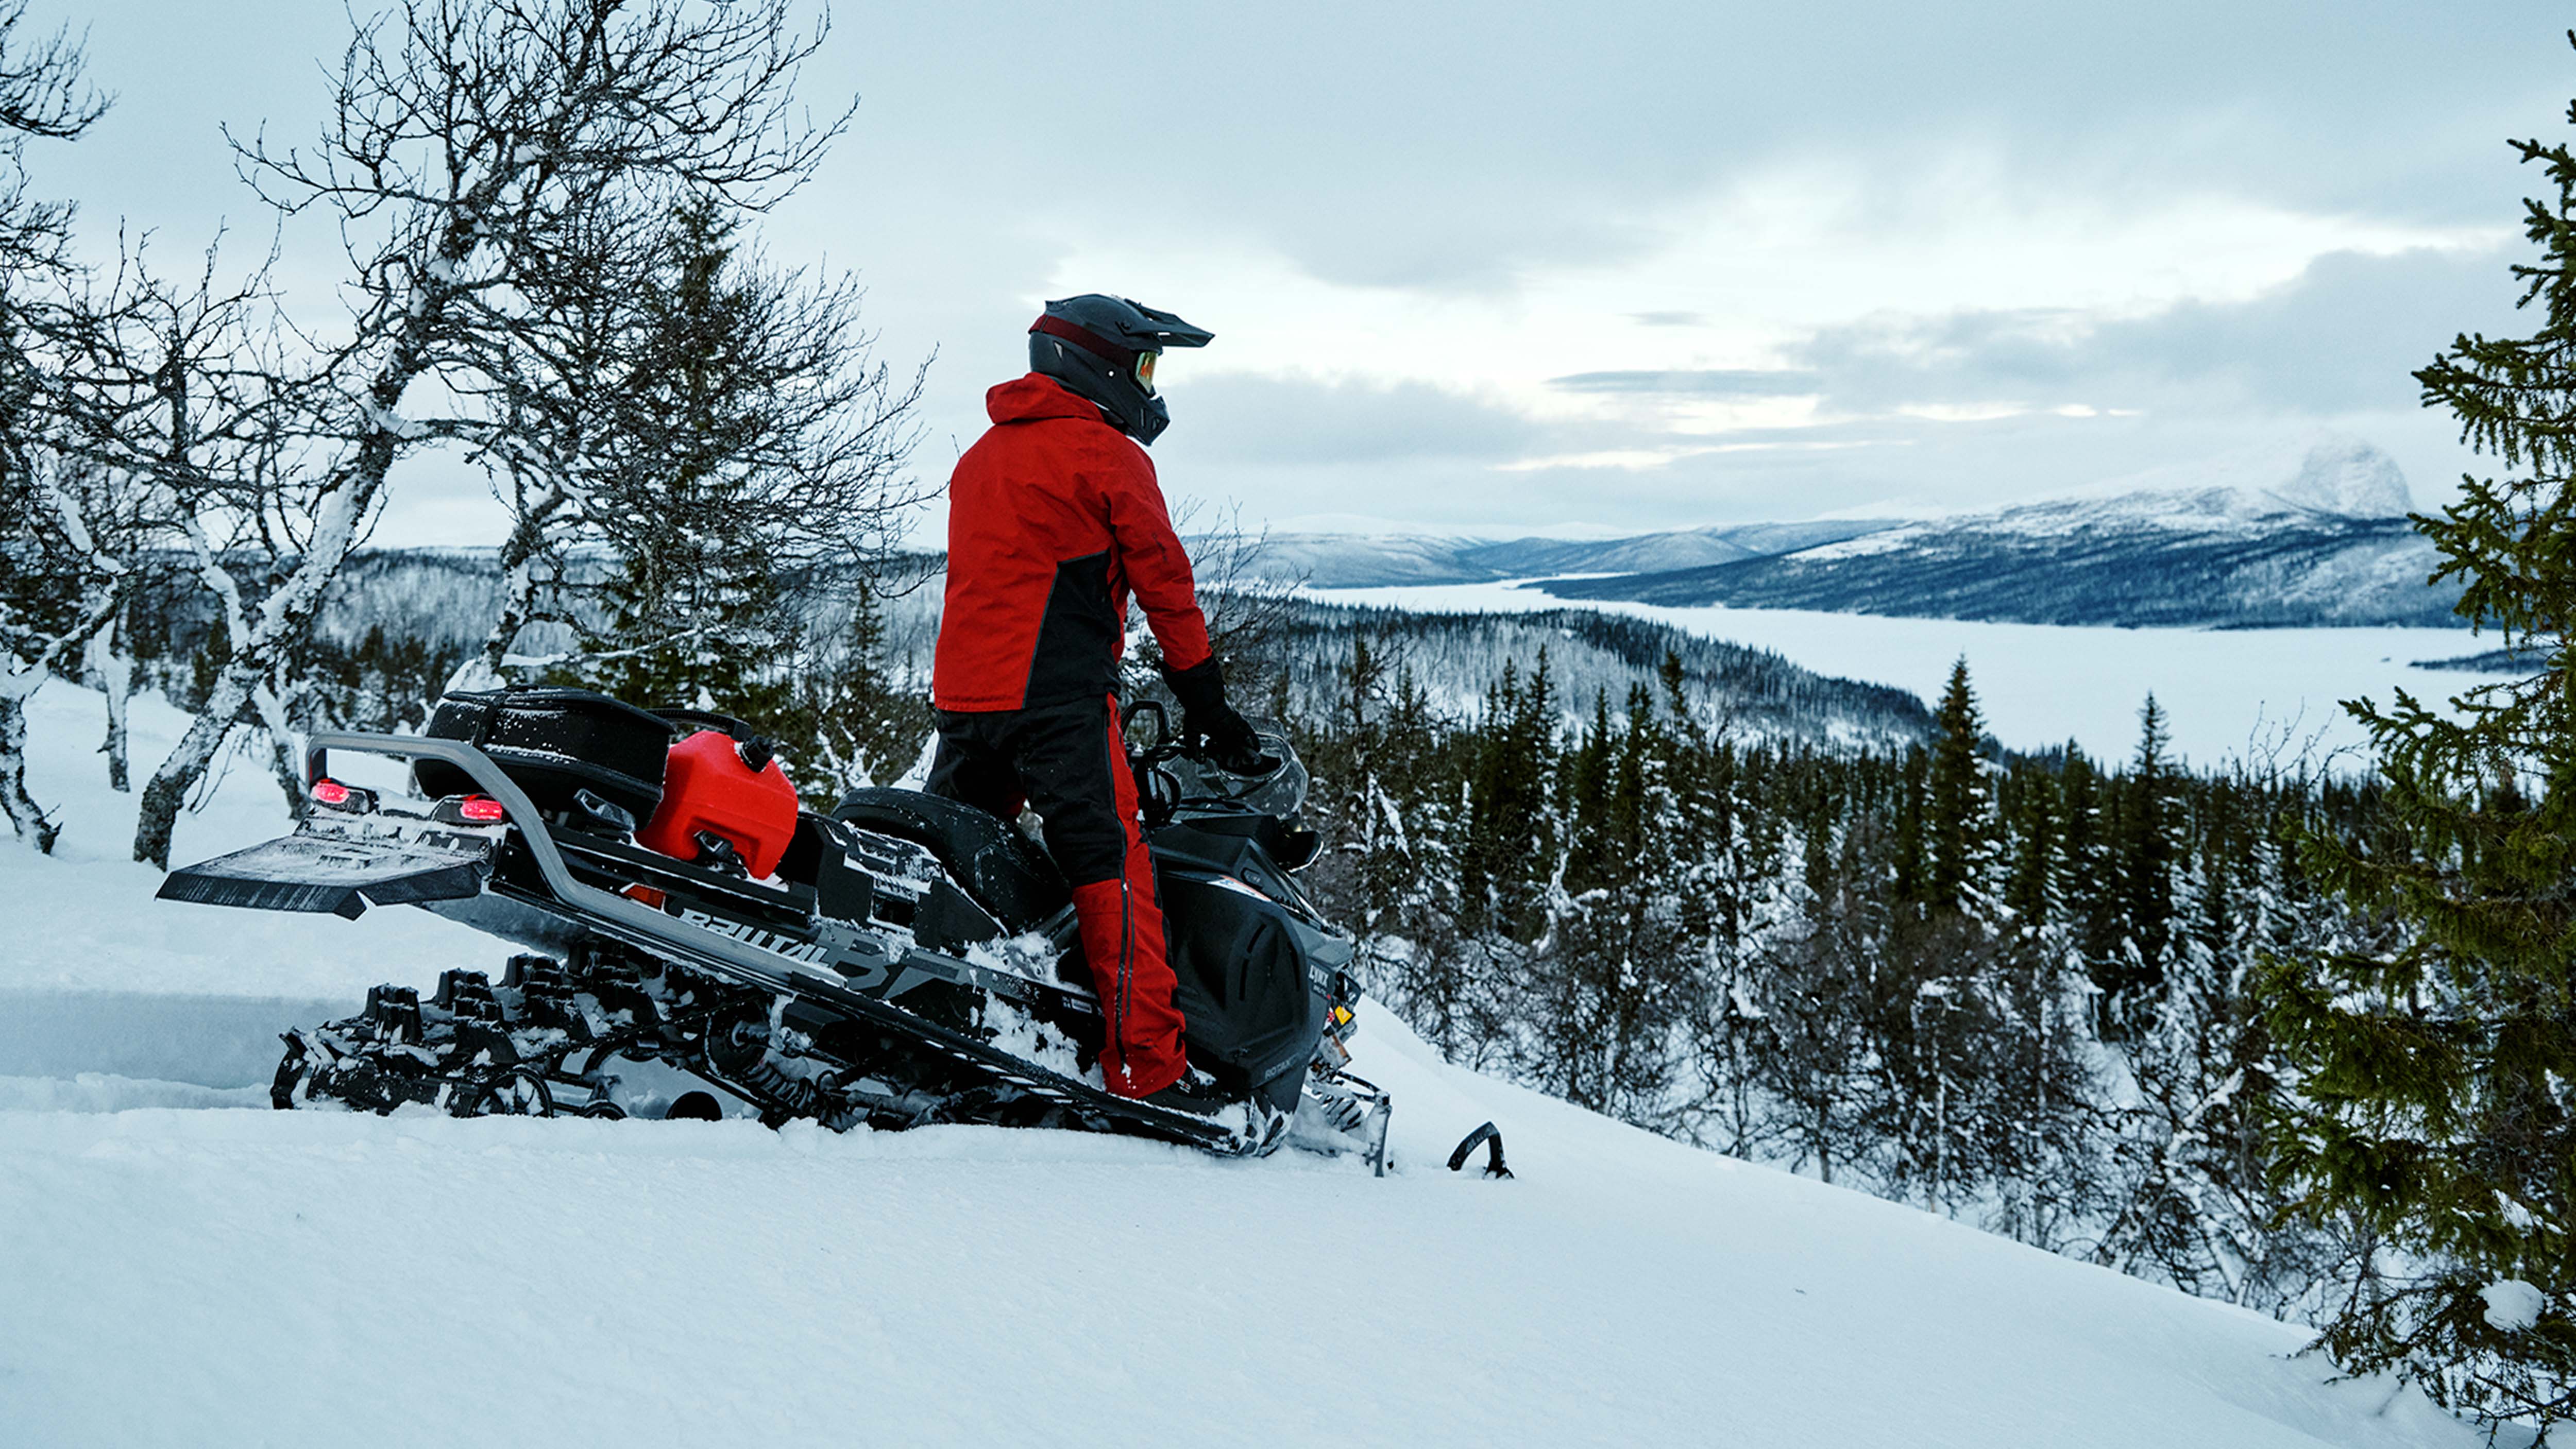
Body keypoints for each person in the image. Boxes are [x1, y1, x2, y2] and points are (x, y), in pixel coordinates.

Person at [928, 294, 1269, 1115]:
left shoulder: (980, 457)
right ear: (1101, 366)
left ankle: (928, 1011)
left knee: (946, 865)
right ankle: (1147, 1070)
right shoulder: (1108, 457)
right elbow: (1166, 585)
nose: (1149, 383)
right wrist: (1210, 706)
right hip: (1058, 703)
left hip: (966, 697)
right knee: (1112, 870)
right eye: (1146, 364)